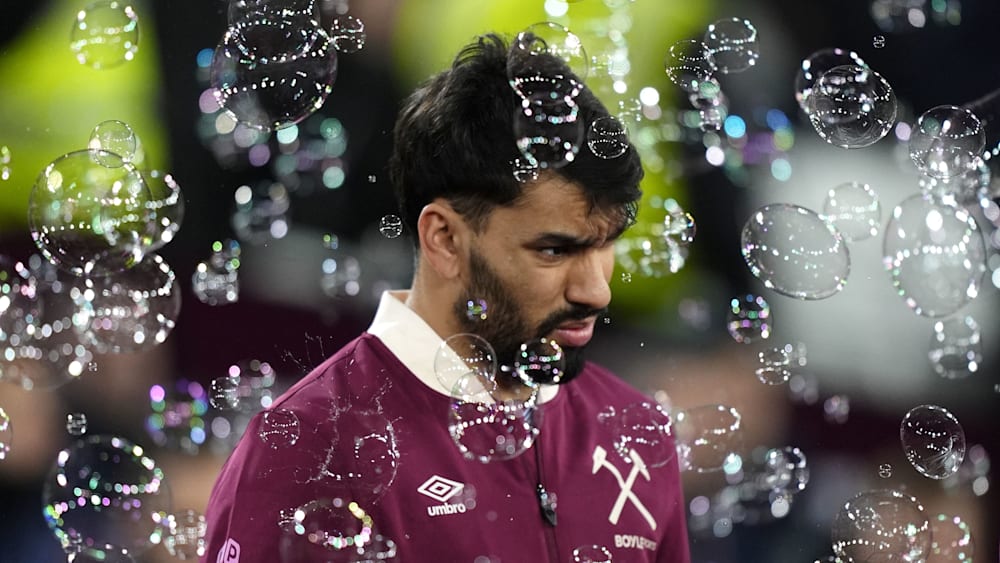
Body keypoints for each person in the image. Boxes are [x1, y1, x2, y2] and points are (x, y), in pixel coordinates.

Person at [202, 33, 690, 562]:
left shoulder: (635, 428)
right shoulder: (309, 449)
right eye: (554, 250)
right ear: (445, 239)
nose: (596, 289)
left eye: (606, 244)